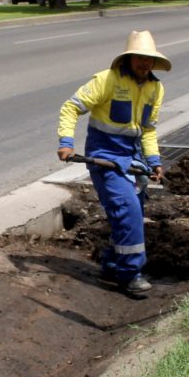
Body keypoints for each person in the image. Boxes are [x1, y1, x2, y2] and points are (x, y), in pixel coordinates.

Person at [57, 30, 171, 295]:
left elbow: (149, 129)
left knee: (132, 214)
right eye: (139, 58)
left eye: (149, 59)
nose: (144, 64)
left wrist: (153, 161)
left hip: (133, 159)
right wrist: (66, 142)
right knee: (128, 210)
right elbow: (70, 107)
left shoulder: (156, 88)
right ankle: (130, 274)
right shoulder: (107, 80)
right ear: (129, 58)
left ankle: (111, 263)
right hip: (104, 157)